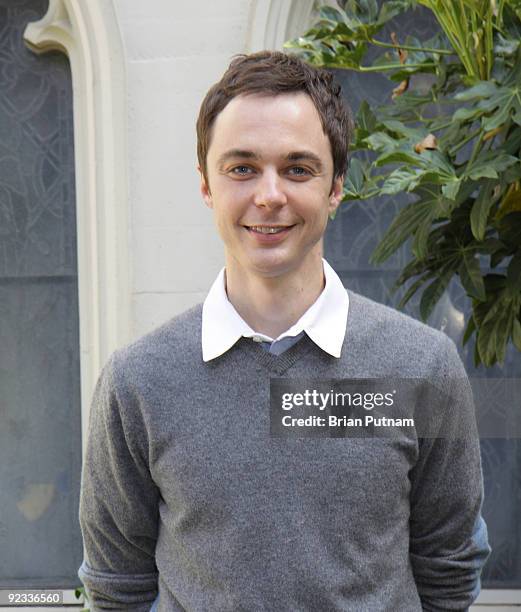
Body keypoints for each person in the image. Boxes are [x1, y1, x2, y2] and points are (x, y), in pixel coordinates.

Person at [78, 50, 490, 611]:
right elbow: (115, 587)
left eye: (298, 169)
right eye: (241, 168)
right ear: (206, 185)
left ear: (336, 187)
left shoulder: (421, 368)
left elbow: (450, 569)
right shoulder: (138, 384)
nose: (269, 195)